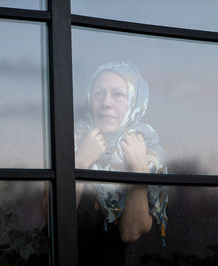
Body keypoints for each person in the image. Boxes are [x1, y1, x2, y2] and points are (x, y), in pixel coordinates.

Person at [73, 61, 168, 265]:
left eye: (118, 94)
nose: (106, 102)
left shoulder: (150, 153)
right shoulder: (68, 141)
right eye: (99, 93)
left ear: (135, 100)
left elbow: (130, 232)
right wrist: (80, 160)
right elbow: (52, 217)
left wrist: (139, 168)